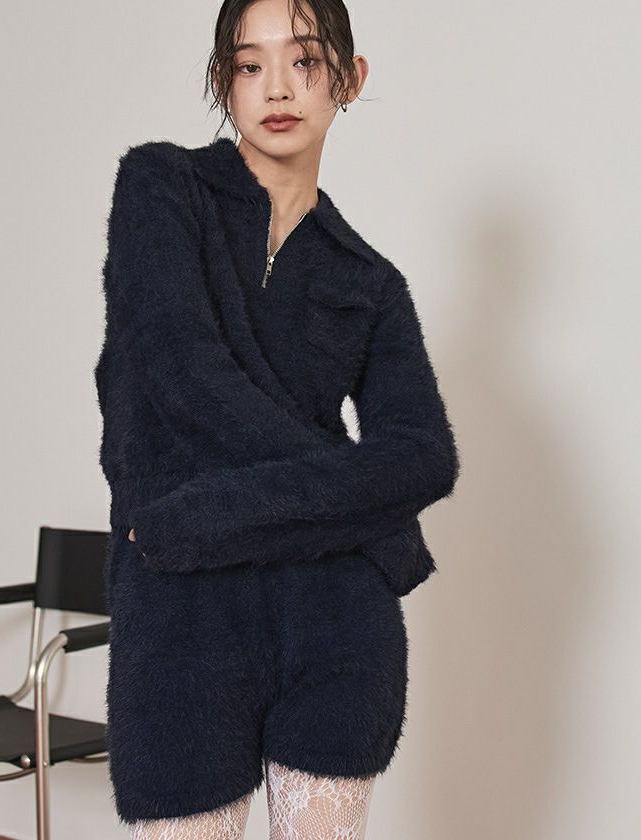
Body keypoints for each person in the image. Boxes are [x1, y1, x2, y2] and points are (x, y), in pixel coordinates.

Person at [94, 0, 461, 837]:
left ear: (350, 78)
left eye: (305, 60)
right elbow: (180, 379)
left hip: (335, 620)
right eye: (249, 65)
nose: (278, 88)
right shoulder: (161, 187)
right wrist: (381, 525)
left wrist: (199, 514)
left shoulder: (370, 282)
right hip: (181, 614)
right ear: (223, 81)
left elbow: (425, 457)